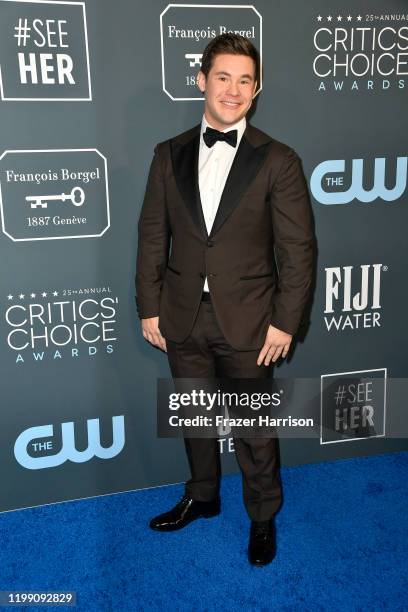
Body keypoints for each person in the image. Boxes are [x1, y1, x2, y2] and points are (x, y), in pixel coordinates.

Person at [135, 33, 315, 566]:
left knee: (254, 428)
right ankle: (203, 495)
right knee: (194, 417)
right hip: (182, 315)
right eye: (222, 78)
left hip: (252, 322)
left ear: (255, 90)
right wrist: (149, 306)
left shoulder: (279, 159)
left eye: (244, 81)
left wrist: (284, 324)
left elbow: (298, 250)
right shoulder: (167, 154)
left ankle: (262, 517)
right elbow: (151, 235)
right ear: (202, 82)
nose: (232, 91)